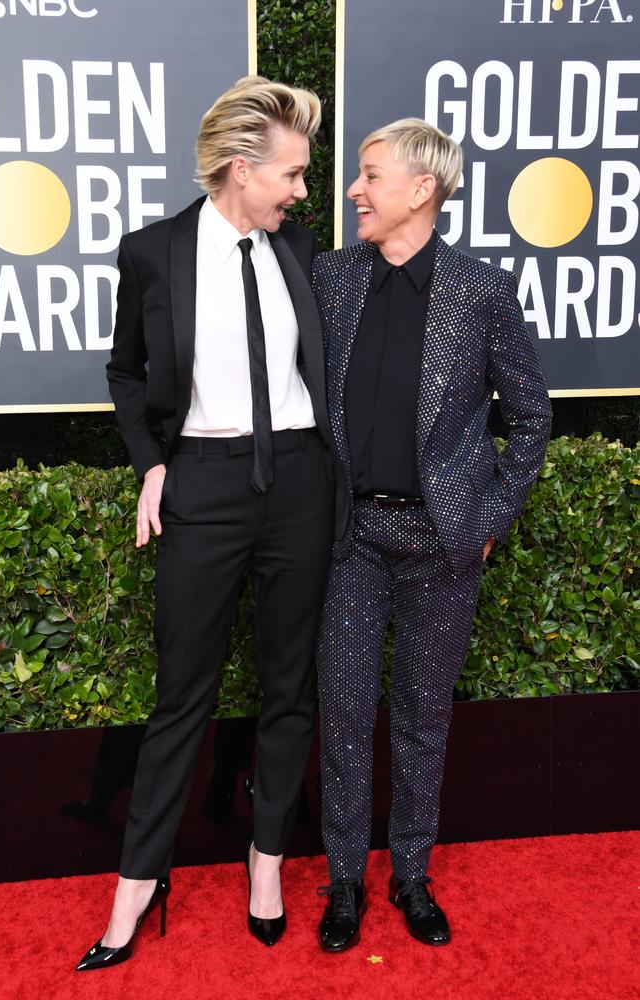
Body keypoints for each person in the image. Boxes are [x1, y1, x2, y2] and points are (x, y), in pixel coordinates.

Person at [76, 76, 336, 970]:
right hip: (205, 485)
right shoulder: (152, 253)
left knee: (287, 689)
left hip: (302, 483)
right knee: (181, 694)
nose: (304, 192)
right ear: (240, 168)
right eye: (293, 176)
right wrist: (153, 465)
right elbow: (124, 371)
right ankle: (138, 884)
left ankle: (266, 869)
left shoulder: (301, 251)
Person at [314, 119, 552, 952]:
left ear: (422, 189)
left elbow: (531, 418)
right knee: (342, 713)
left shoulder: (481, 291)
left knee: (421, 716)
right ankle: (344, 880)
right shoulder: (331, 278)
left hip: (443, 545)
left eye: (370, 177)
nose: (355, 192)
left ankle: (411, 874)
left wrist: (487, 522)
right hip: (354, 539)